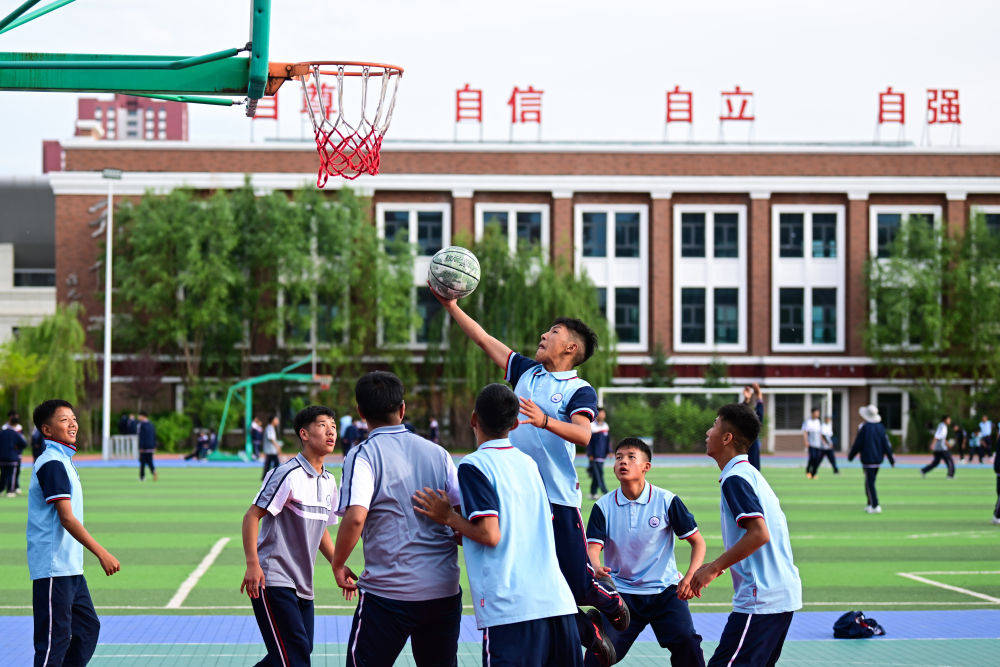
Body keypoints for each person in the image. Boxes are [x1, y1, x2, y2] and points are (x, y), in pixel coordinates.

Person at [434, 292, 629, 651]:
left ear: (570, 347)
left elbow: (584, 434)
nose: (543, 335)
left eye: (552, 332)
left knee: (573, 579)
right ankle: (590, 634)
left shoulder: (578, 389)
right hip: (520, 494)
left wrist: (544, 421)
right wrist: (451, 307)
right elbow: (482, 338)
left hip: (556, 496)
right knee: (537, 582)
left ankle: (609, 600)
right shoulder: (526, 371)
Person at [413, 383, 584, 666]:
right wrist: (462, 532)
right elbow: (523, 528)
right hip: (557, 603)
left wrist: (449, 518)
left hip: (512, 607)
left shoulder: (474, 464)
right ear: (516, 423)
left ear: (473, 419)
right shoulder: (529, 464)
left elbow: (490, 534)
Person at [333, 371, 463, 666]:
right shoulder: (438, 453)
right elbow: (461, 514)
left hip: (388, 593)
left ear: (361, 412)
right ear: (402, 409)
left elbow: (355, 517)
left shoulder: (362, 454)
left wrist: (338, 563)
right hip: (443, 590)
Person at [691, 403, 802, 667]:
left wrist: (714, 568)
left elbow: (759, 534)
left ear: (727, 438)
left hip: (761, 599)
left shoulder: (736, 478)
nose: (708, 431)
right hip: (777, 596)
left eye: (715, 425)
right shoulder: (749, 474)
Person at [585, 437, 707, 667]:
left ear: (646, 467)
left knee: (687, 644)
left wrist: (690, 577)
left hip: (666, 592)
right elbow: (593, 549)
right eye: (619, 457)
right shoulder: (603, 506)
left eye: (631, 457)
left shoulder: (666, 500)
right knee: (598, 654)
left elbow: (697, 542)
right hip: (623, 594)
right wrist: (597, 566)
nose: (623, 462)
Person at [241, 405, 340, 667]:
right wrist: (253, 565)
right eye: (322, 425)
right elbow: (251, 516)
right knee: (294, 657)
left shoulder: (329, 481)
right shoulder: (287, 474)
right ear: (304, 434)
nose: (331, 431)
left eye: (333, 426)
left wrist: (338, 565)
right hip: (274, 578)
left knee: (293, 653)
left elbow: (321, 533)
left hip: (303, 585)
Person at [27, 399, 120, 666]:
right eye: (63, 419)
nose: (73, 423)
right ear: (47, 430)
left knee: (87, 629)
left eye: (74, 418)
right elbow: (66, 519)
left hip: (70, 568)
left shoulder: (64, 460)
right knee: (53, 643)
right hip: (54, 567)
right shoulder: (52, 463)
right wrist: (102, 553)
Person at [847, 404, 895, 514]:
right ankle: (869, 504)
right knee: (869, 482)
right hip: (878, 459)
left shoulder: (864, 428)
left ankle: (875, 505)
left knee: (870, 482)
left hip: (868, 459)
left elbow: (858, 444)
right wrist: (891, 459)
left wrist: (851, 456)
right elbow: (886, 445)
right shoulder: (881, 427)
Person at [586, 407, 610, 499]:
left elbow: (608, 440)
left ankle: (593, 493)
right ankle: (606, 493)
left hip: (602, 455)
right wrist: (590, 454)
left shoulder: (605, 426)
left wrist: (609, 451)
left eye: (604, 413)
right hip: (594, 456)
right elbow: (589, 441)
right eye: (601, 413)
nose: (603, 415)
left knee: (596, 475)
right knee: (599, 475)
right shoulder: (591, 426)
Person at [741, 384, 764, 471]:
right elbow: (740, 413)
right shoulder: (740, 438)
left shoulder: (753, 436)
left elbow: (760, 415)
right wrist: (747, 399)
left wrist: (758, 396)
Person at [4, 411, 25, 493]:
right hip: (8, 453)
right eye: (14, 416)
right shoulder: (5, 428)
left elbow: (22, 440)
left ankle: (16, 486)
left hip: (17, 453)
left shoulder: (19, 427)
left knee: (17, 470)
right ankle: (6, 487)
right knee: (6, 471)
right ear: (10, 417)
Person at [0, 426, 24, 497]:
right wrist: (18, 451)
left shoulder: (1, 433)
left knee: (3, 475)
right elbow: (23, 443)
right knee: (12, 475)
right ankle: (10, 491)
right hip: (12, 458)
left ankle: (1, 490)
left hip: (2, 458)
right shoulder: (15, 433)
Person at [136, 411, 158, 482]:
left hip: (144, 447)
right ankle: (153, 471)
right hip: (151, 446)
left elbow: (141, 437)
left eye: (139, 416)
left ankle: (142, 477)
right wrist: (155, 445)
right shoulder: (151, 424)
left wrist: (141, 447)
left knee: (142, 462)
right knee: (149, 461)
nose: (138, 417)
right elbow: (154, 435)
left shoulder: (141, 425)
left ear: (143, 416)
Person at [802, 407, 823, 478]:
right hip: (811, 443)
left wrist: (822, 442)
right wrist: (806, 441)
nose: (817, 414)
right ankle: (808, 471)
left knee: (817, 459)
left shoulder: (818, 421)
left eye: (818, 413)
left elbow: (820, 433)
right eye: (816, 412)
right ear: (813, 413)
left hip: (818, 444)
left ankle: (814, 473)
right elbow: (805, 432)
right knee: (812, 457)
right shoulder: (808, 421)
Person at [261, 415, 281, 480]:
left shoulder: (270, 427)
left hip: (271, 450)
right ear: (272, 421)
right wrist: (277, 446)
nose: (277, 421)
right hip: (271, 450)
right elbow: (271, 438)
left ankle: (265, 477)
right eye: (276, 420)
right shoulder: (270, 428)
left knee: (268, 464)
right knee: (276, 463)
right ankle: (276, 476)